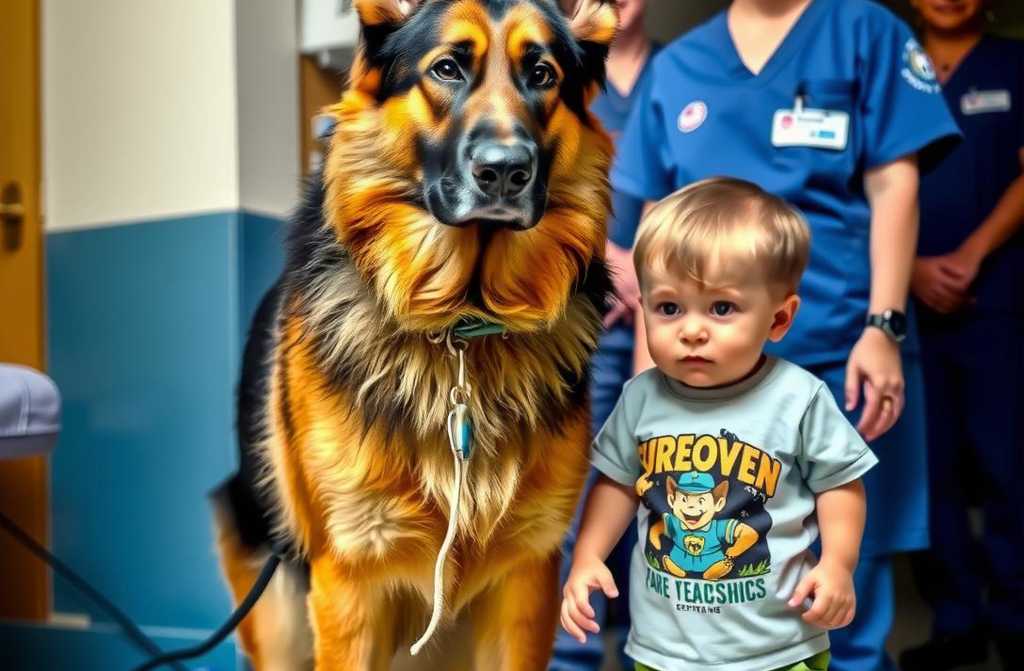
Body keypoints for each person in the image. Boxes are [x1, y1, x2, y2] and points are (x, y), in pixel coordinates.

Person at [611, 1, 960, 668]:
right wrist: (644, 392)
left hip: (838, 356)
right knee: (701, 593)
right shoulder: (679, 68)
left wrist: (884, 325)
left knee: (841, 591)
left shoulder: (863, 32)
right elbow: (656, 239)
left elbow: (896, 184)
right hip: (700, 393)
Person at [560, 177, 878, 671]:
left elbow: (840, 483)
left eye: (721, 308)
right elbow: (617, 483)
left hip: (778, 649)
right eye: (669, 308)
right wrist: (588, 555)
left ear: (779, 319)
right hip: (665, 652)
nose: (691, 330)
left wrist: (838, 563)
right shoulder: (641, 398)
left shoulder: (799, 398)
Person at [898, 2, 1024, 669]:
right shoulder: (887, 64)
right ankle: (956, 620)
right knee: (929, 469)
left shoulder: (1013, 64)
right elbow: (863, 178)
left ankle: (1015, 616)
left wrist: (971, 255)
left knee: (1007, 464)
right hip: (905, 305)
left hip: (994, 298)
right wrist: (911, 269)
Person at [551, 0, 657, 668]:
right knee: (567, 504)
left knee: (676, 497)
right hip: (573, 329)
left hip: (673, 325)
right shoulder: (549, 71)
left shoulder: (686, 71)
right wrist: (597, 260)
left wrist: (652, 272)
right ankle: (568, 656)